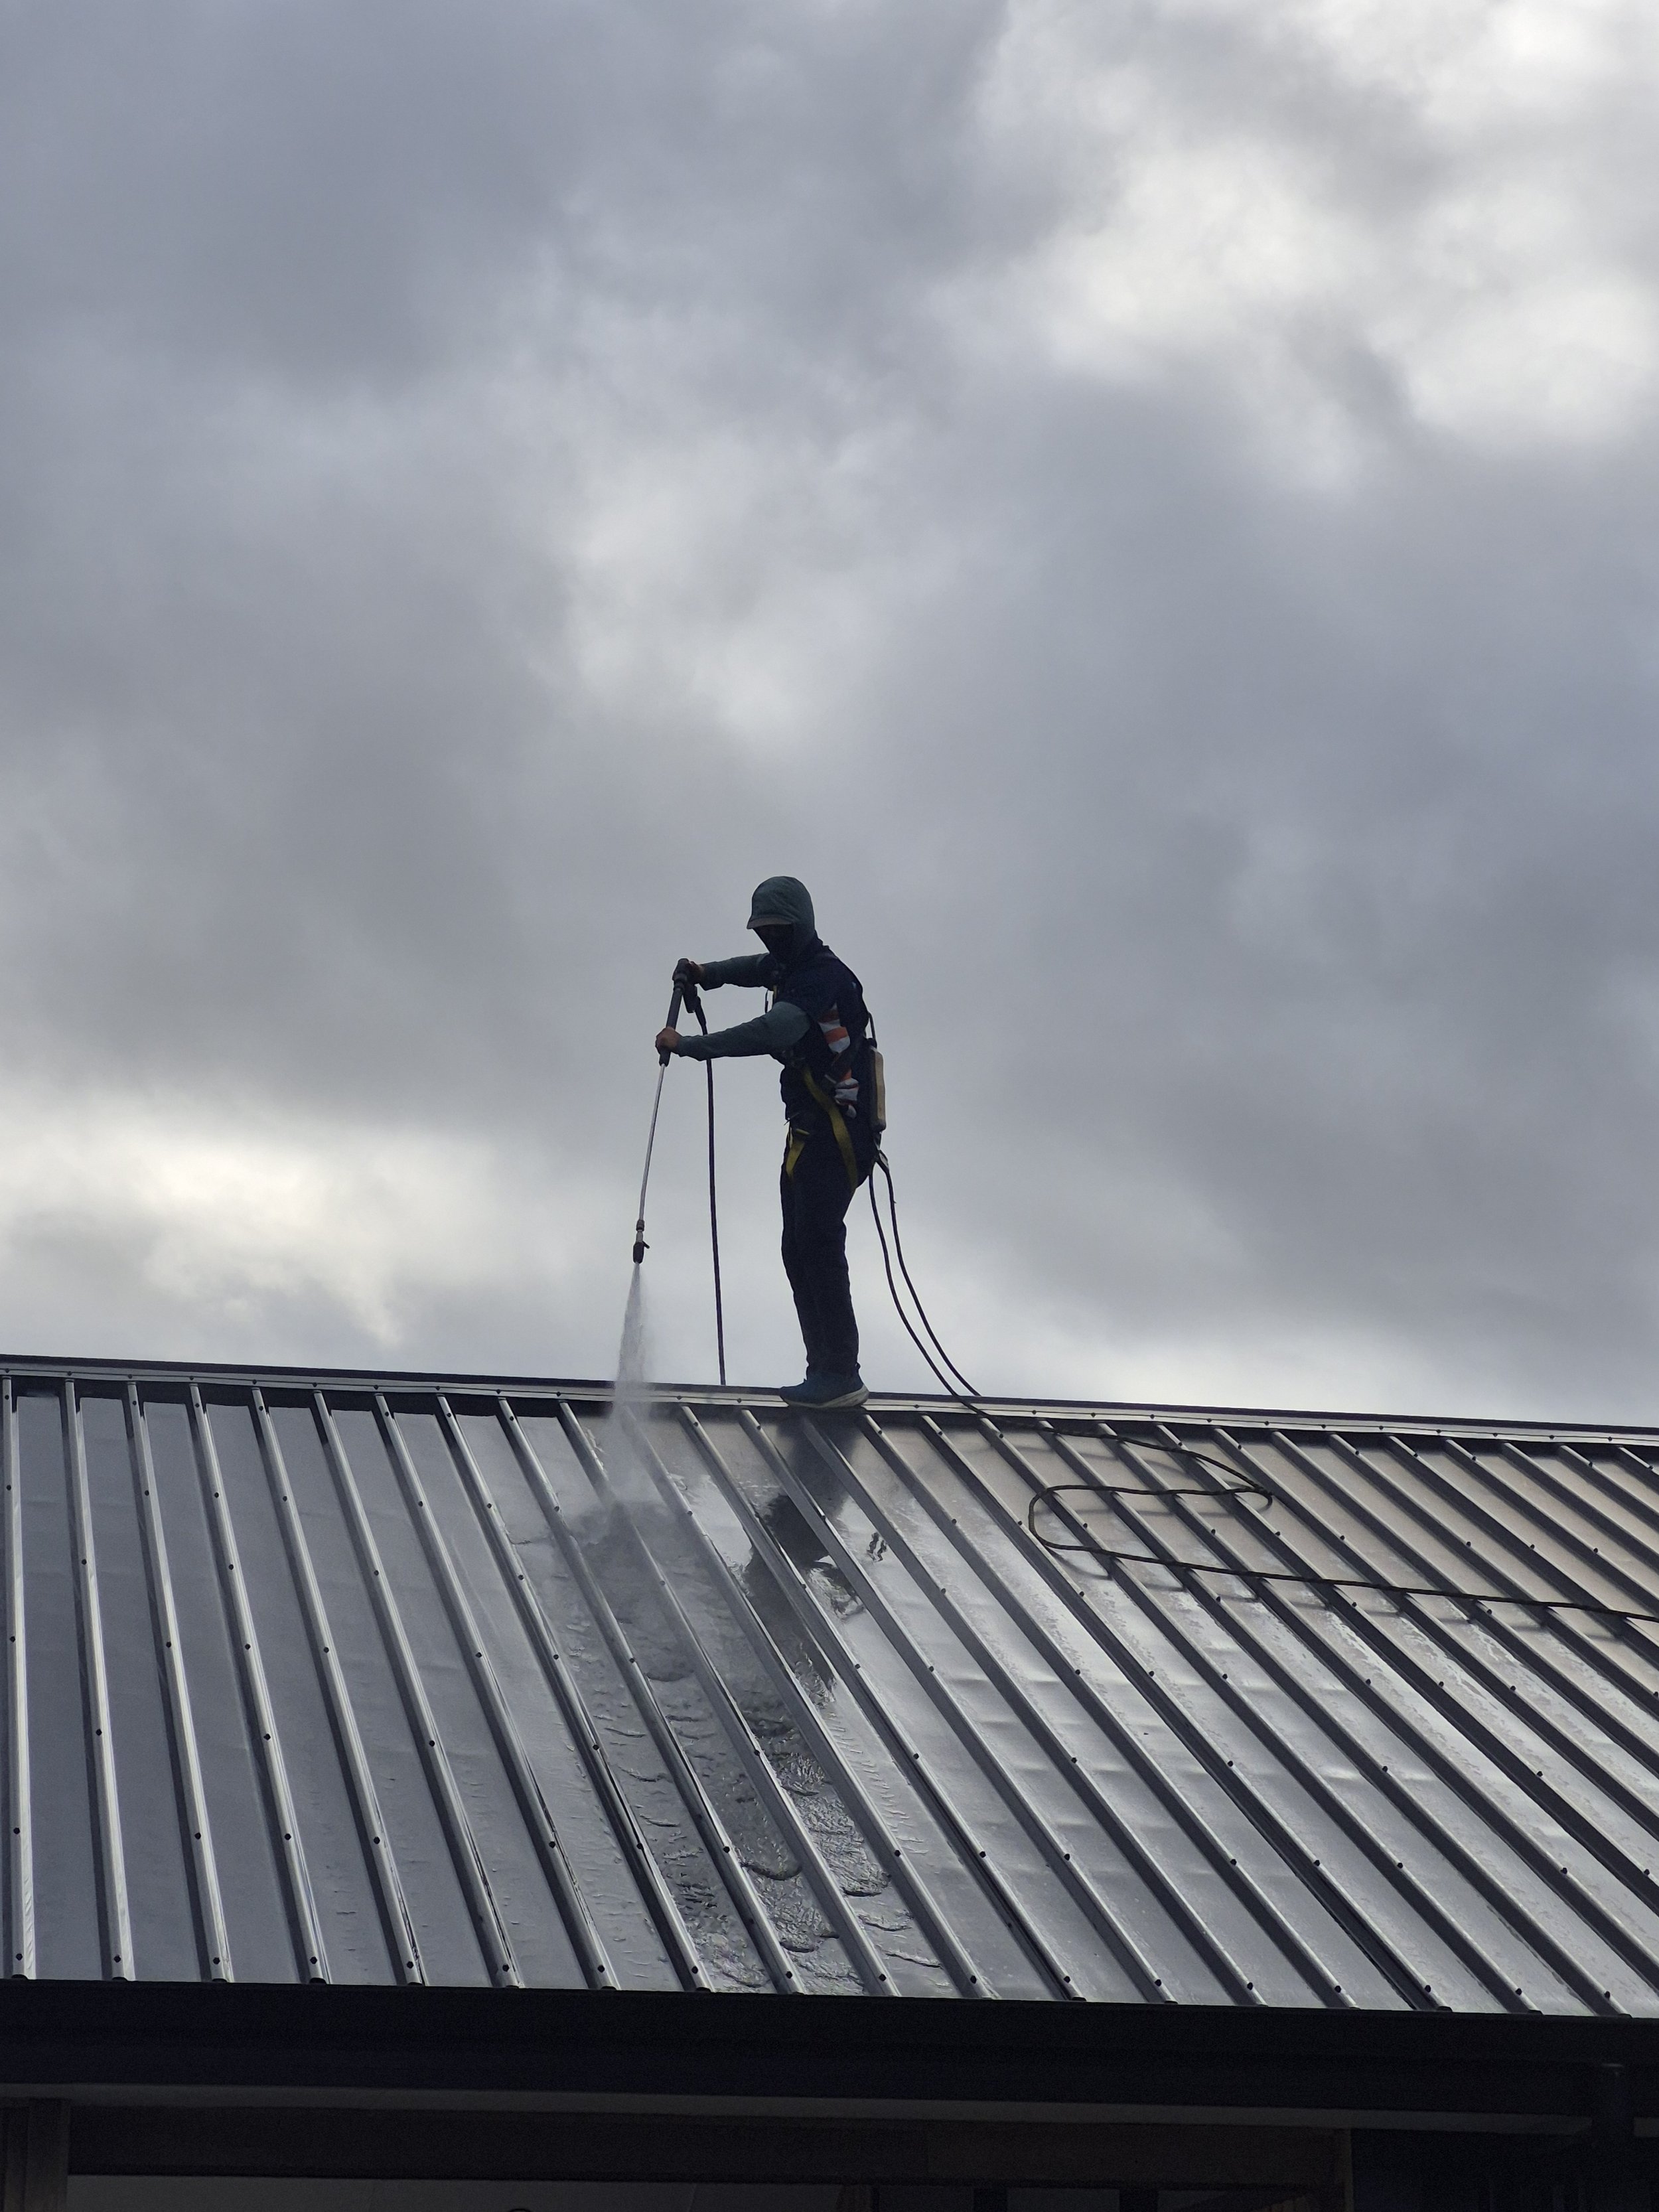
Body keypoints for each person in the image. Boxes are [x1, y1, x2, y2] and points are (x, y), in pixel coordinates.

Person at [657, 876, 875, 1410]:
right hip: (809, 1130)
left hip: (839, 1130)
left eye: (779, 932)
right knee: (796, 1246)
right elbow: (751, 969)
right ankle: (822, 1367)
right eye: (765, 933)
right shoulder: (788, 965)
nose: (770, 942)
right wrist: (706, 974)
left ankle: (840, 1372)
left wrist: (692, 1046)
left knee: (819, 1243)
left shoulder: (822, 978)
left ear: (800, 928)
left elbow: (773, 1031)